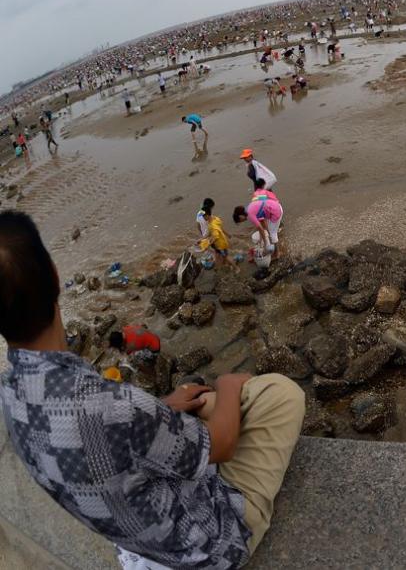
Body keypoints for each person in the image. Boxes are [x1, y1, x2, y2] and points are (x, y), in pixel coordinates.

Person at [0, 210, 305, 568]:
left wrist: (159, 407)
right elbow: (221, 445)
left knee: (197, 403)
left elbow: (103, 434)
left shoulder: (11, 395)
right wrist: (228, 384)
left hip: (137, 535)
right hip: (208, 546)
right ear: (54, 274)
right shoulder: (112, 406)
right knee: (280, 395)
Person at [233, 187, 284, 257]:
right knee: (270, 231)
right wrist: (261, 239)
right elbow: (262, 222)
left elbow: (260, 228)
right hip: (274, 206)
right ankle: (275, 246)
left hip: (276, 211)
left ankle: (277, 254)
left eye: (240, 221)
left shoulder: (249, 215)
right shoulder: (249, 207)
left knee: (273, 234)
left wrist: (266, 244)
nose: (242, 221)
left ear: (240, 216)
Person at [199, 199, 235, 268]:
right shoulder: (216, 219)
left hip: (220, 244)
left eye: (203, 216)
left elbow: (216, 237)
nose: (203, 218)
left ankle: (236, 268)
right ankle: (224, 263)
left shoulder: (212, 226)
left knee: (227, 257)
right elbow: (219, 228)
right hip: (223, 241)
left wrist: (208, 243)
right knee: (223, 255)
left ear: (206, 216)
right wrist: (227, 234)